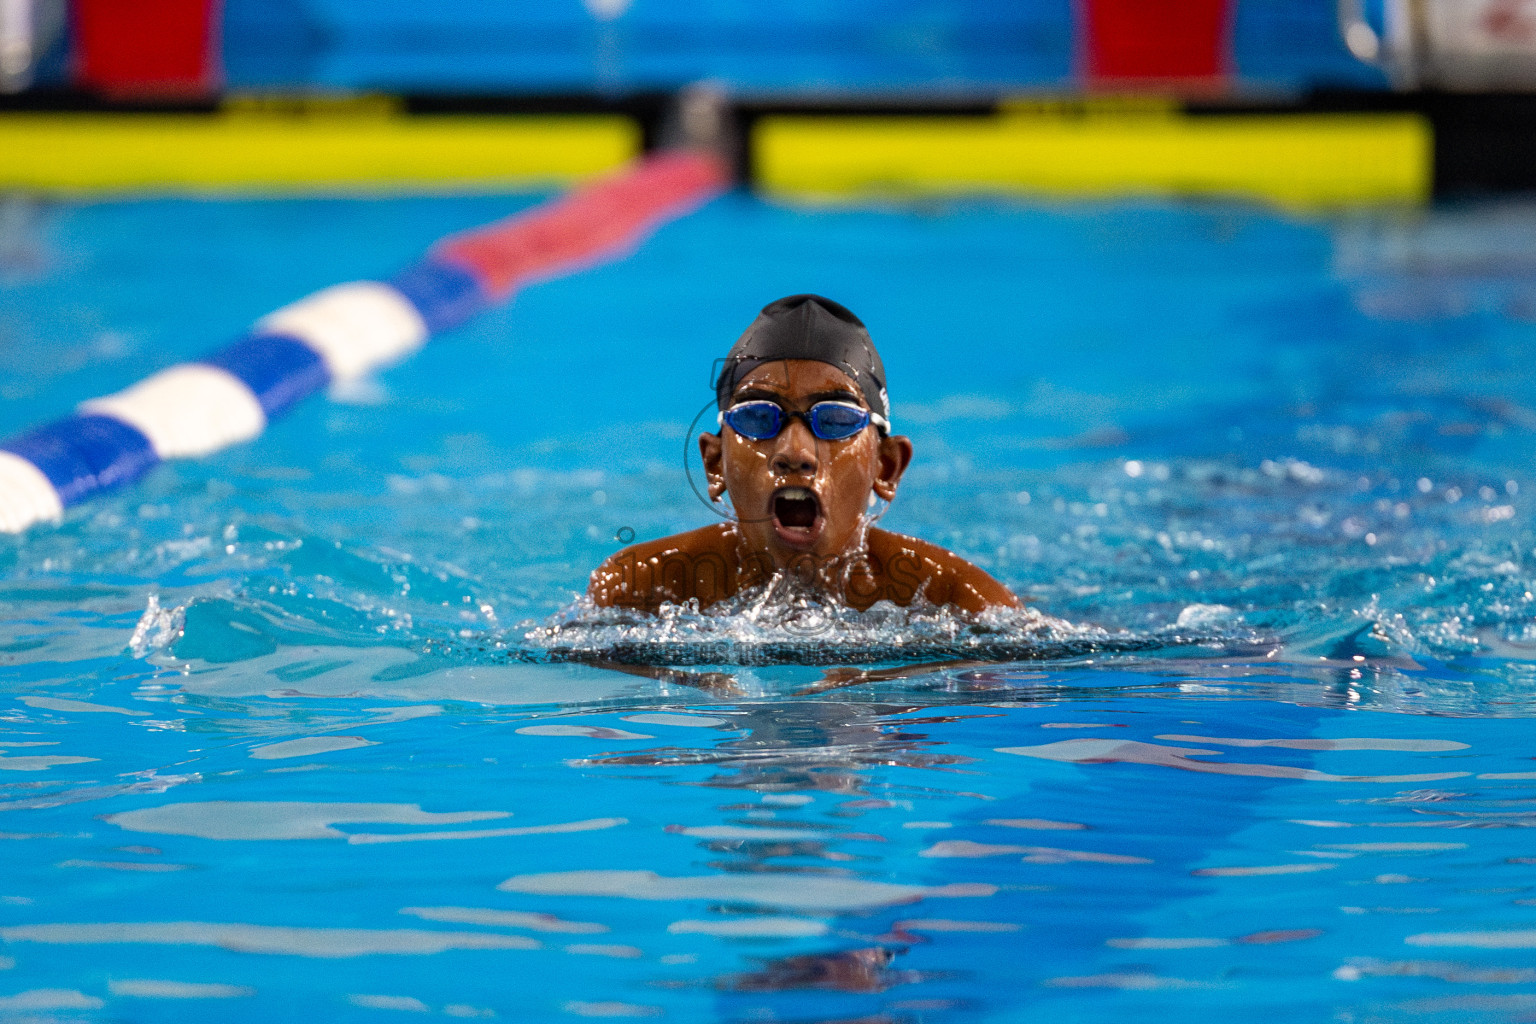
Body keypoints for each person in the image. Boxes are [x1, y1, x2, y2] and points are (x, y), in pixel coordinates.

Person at [588, 294, 1019, 614]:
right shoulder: (639, 589)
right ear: (715, 463)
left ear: (886, 466)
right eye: (758, 418)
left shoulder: (958, 602)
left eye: (834, 419)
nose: (795, 452)